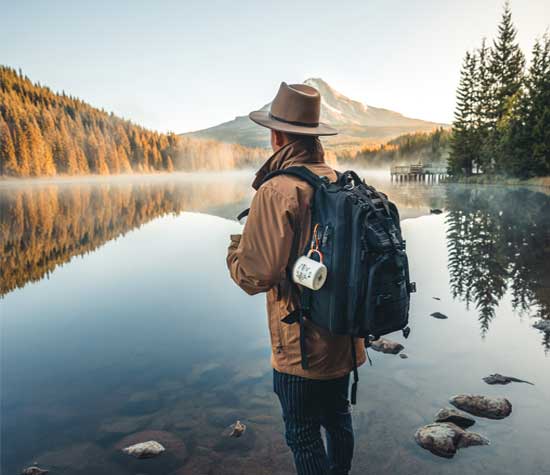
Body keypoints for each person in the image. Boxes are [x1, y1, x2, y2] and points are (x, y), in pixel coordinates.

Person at [226, 82, 366, 475]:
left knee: (302, 435)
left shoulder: (277, 190)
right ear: (314, 136)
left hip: (300, 347)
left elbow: (256, 275)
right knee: (338, 419)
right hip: (345, 337)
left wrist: (235, 248)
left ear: (277, 135)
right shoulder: (338, 180)